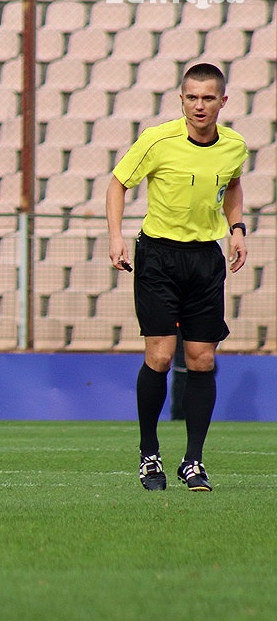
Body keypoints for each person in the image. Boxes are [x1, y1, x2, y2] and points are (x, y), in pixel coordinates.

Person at [107, 62, 248, 493]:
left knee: (202, 359)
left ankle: (193, 461)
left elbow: (232, 186)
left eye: (208, 98)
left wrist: (237, 229)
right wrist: (115, 237)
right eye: (192, 98)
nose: (199, 106)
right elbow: (117, 183)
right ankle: (149, 455)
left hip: (205, 259)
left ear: (222, 101)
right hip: (159, 257)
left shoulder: (234, 146)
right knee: (161, 356)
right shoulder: (158, 140)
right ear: (181, 100)